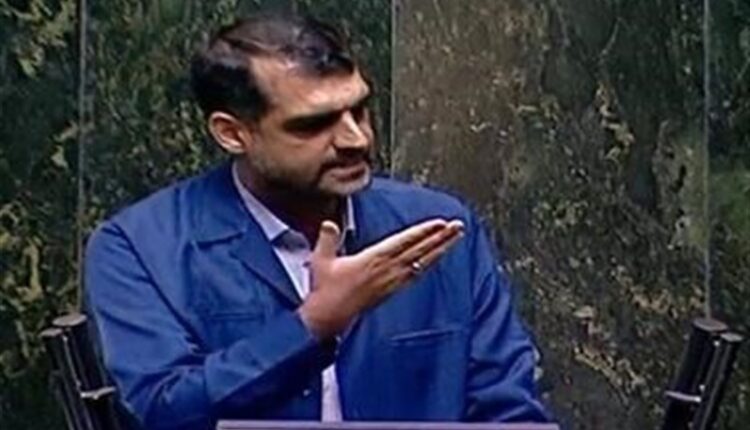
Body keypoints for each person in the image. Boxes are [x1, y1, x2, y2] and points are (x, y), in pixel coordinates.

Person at [85, 13, 550, 430]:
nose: (355, 139)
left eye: (359, 110)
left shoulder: (436, 229)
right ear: (233, 133)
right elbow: (166, 411)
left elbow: (509, 410)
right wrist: (315, 324)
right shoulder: (139, 247)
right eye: (313, 125)